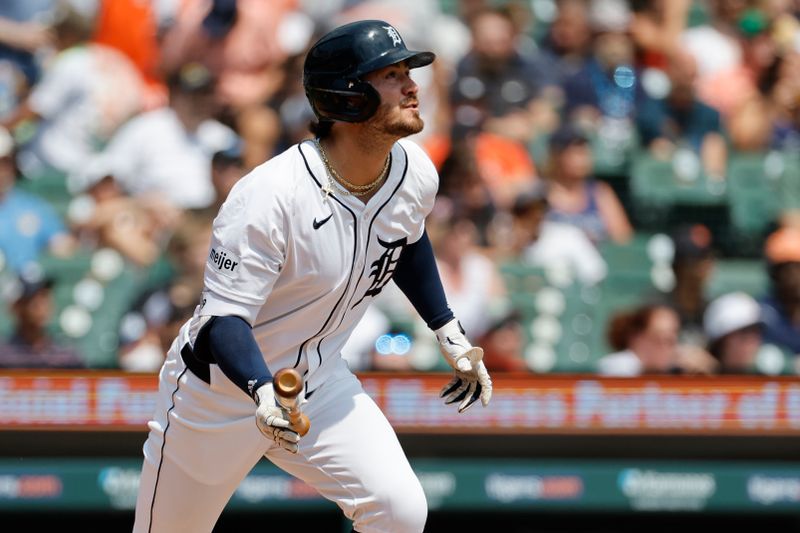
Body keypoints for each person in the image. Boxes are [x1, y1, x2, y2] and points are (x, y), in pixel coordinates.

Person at [133, 20, 493, 533]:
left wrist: (447, 329)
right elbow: (223, 321)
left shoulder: (414, 171)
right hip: (219, 397)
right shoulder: (270, 194)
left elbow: (405, 236)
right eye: (391, 75)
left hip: (318, 382)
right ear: (347, 95)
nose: (413, 85)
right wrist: (261, 393)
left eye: (406, 72)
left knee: (400, 510)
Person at [596, 303, 718, 376]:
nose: (671, 348)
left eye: (673, 339)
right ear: (636, 337)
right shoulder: (616, 364)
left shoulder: (671, 371)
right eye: (661, 338)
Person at [0, 271, 84, 368]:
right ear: (16, 306)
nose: (41, 305)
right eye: (32, 299)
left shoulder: (66, 356)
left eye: (45, 296)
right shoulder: (4, 357)